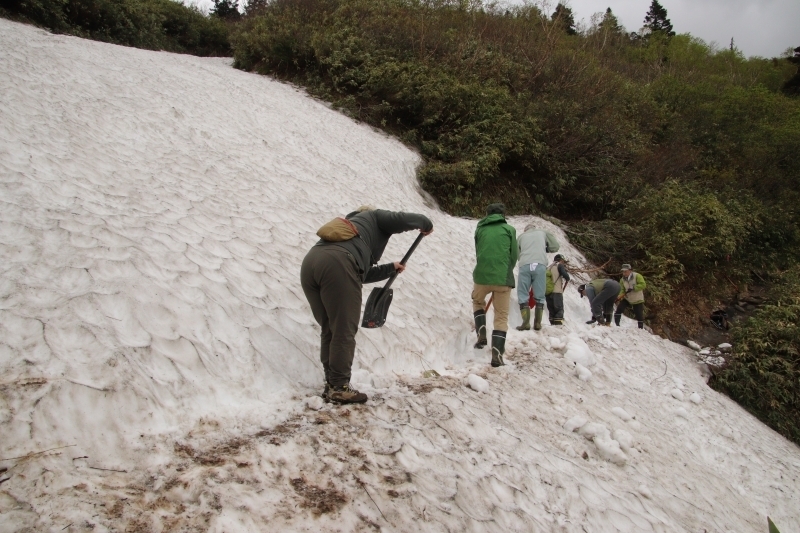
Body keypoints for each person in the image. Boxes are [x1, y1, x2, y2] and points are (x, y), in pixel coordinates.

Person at [301, 206, 433, 404]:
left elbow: (358, 273)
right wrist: (426, 223)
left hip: (311, 263)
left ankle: (332, 383)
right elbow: (399, 218)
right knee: (344, 330)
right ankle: (338, 387)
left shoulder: (350, 231)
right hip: (337, 264)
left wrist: (390, 268)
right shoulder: (373, 215)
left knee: (330, 328)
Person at [472, 203, 517, 367]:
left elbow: (479, 251)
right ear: (503, 214)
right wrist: (505, 271)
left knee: (477, 302)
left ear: (487, 214)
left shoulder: (480, 229)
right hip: (503, 278)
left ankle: (481, 335)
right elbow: (513, 256)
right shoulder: (509, 230)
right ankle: (497, 356)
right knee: (501, 316)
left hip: (481, 276)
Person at [515, 224, 560, 331]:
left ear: (525, 230)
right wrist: (545, 249)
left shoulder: (521, 237)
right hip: (540, 265)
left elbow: (517, 254)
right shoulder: (543, 232)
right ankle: (537, 324)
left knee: (523, 293)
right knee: (539, 294)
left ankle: (525, 323)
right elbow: (555, 246)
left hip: (525, 265)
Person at [615, 263, 646, 329]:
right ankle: (616, 325)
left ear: (630, 270)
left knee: (639, 314)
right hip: (627, 298)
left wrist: (634, 287)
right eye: (623, 271)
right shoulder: (622, 280)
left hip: (637, 299)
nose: (624, 273)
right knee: (619, 309)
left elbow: (643, 285)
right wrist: (620, 296)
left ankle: (640, 328)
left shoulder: (637, 276)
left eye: (625, 271)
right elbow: (622, 289)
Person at [545, 254, 570, 325]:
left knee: (551, 310)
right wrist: (567, 278)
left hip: (548, 292)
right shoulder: (559, 265)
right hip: (557, 292)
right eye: (563, 261)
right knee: (559, 309)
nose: (563, 263)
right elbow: (565, 275)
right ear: (561, 260)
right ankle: (558, 325)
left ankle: (552, 325)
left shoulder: (549, 267)